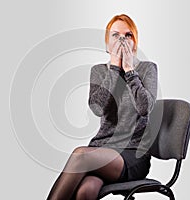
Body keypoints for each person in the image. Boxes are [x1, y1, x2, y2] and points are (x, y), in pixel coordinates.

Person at [46, 14, 158, 200]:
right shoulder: (99, 71)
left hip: (132, 154)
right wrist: (114, 69)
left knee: (80, 156)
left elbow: (145, 108)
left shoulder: (147, 69)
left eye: (127, 35)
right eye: (115, 35)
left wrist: (130, 71)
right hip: (101, 151)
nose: (121, 40)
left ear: (135, 43)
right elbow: (98, 108)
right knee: (86, 191)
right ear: (107, 44)